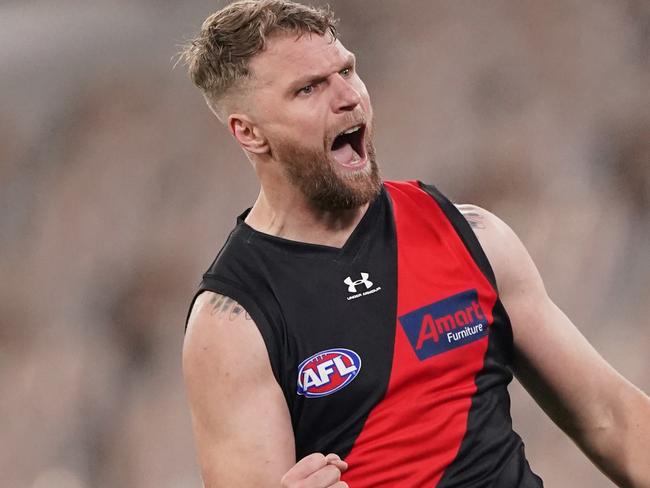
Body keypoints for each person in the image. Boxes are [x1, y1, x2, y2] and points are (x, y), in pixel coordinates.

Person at [180, 1, 650, 487]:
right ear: (249, 132)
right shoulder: (232, 324)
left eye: (347, 70)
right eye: (309, 89)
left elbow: (611, 418)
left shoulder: (472, 237)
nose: (348, 97)